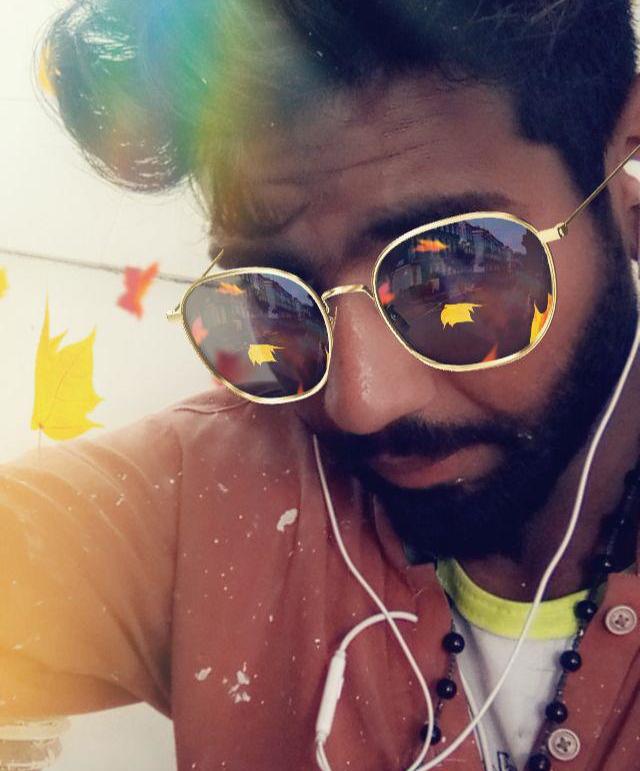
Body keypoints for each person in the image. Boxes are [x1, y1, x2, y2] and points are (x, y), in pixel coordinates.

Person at [4, 0, 640, 768]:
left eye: (452, 269)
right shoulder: (210, 498)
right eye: (274, 297)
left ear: (626, 166)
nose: (359, 402)